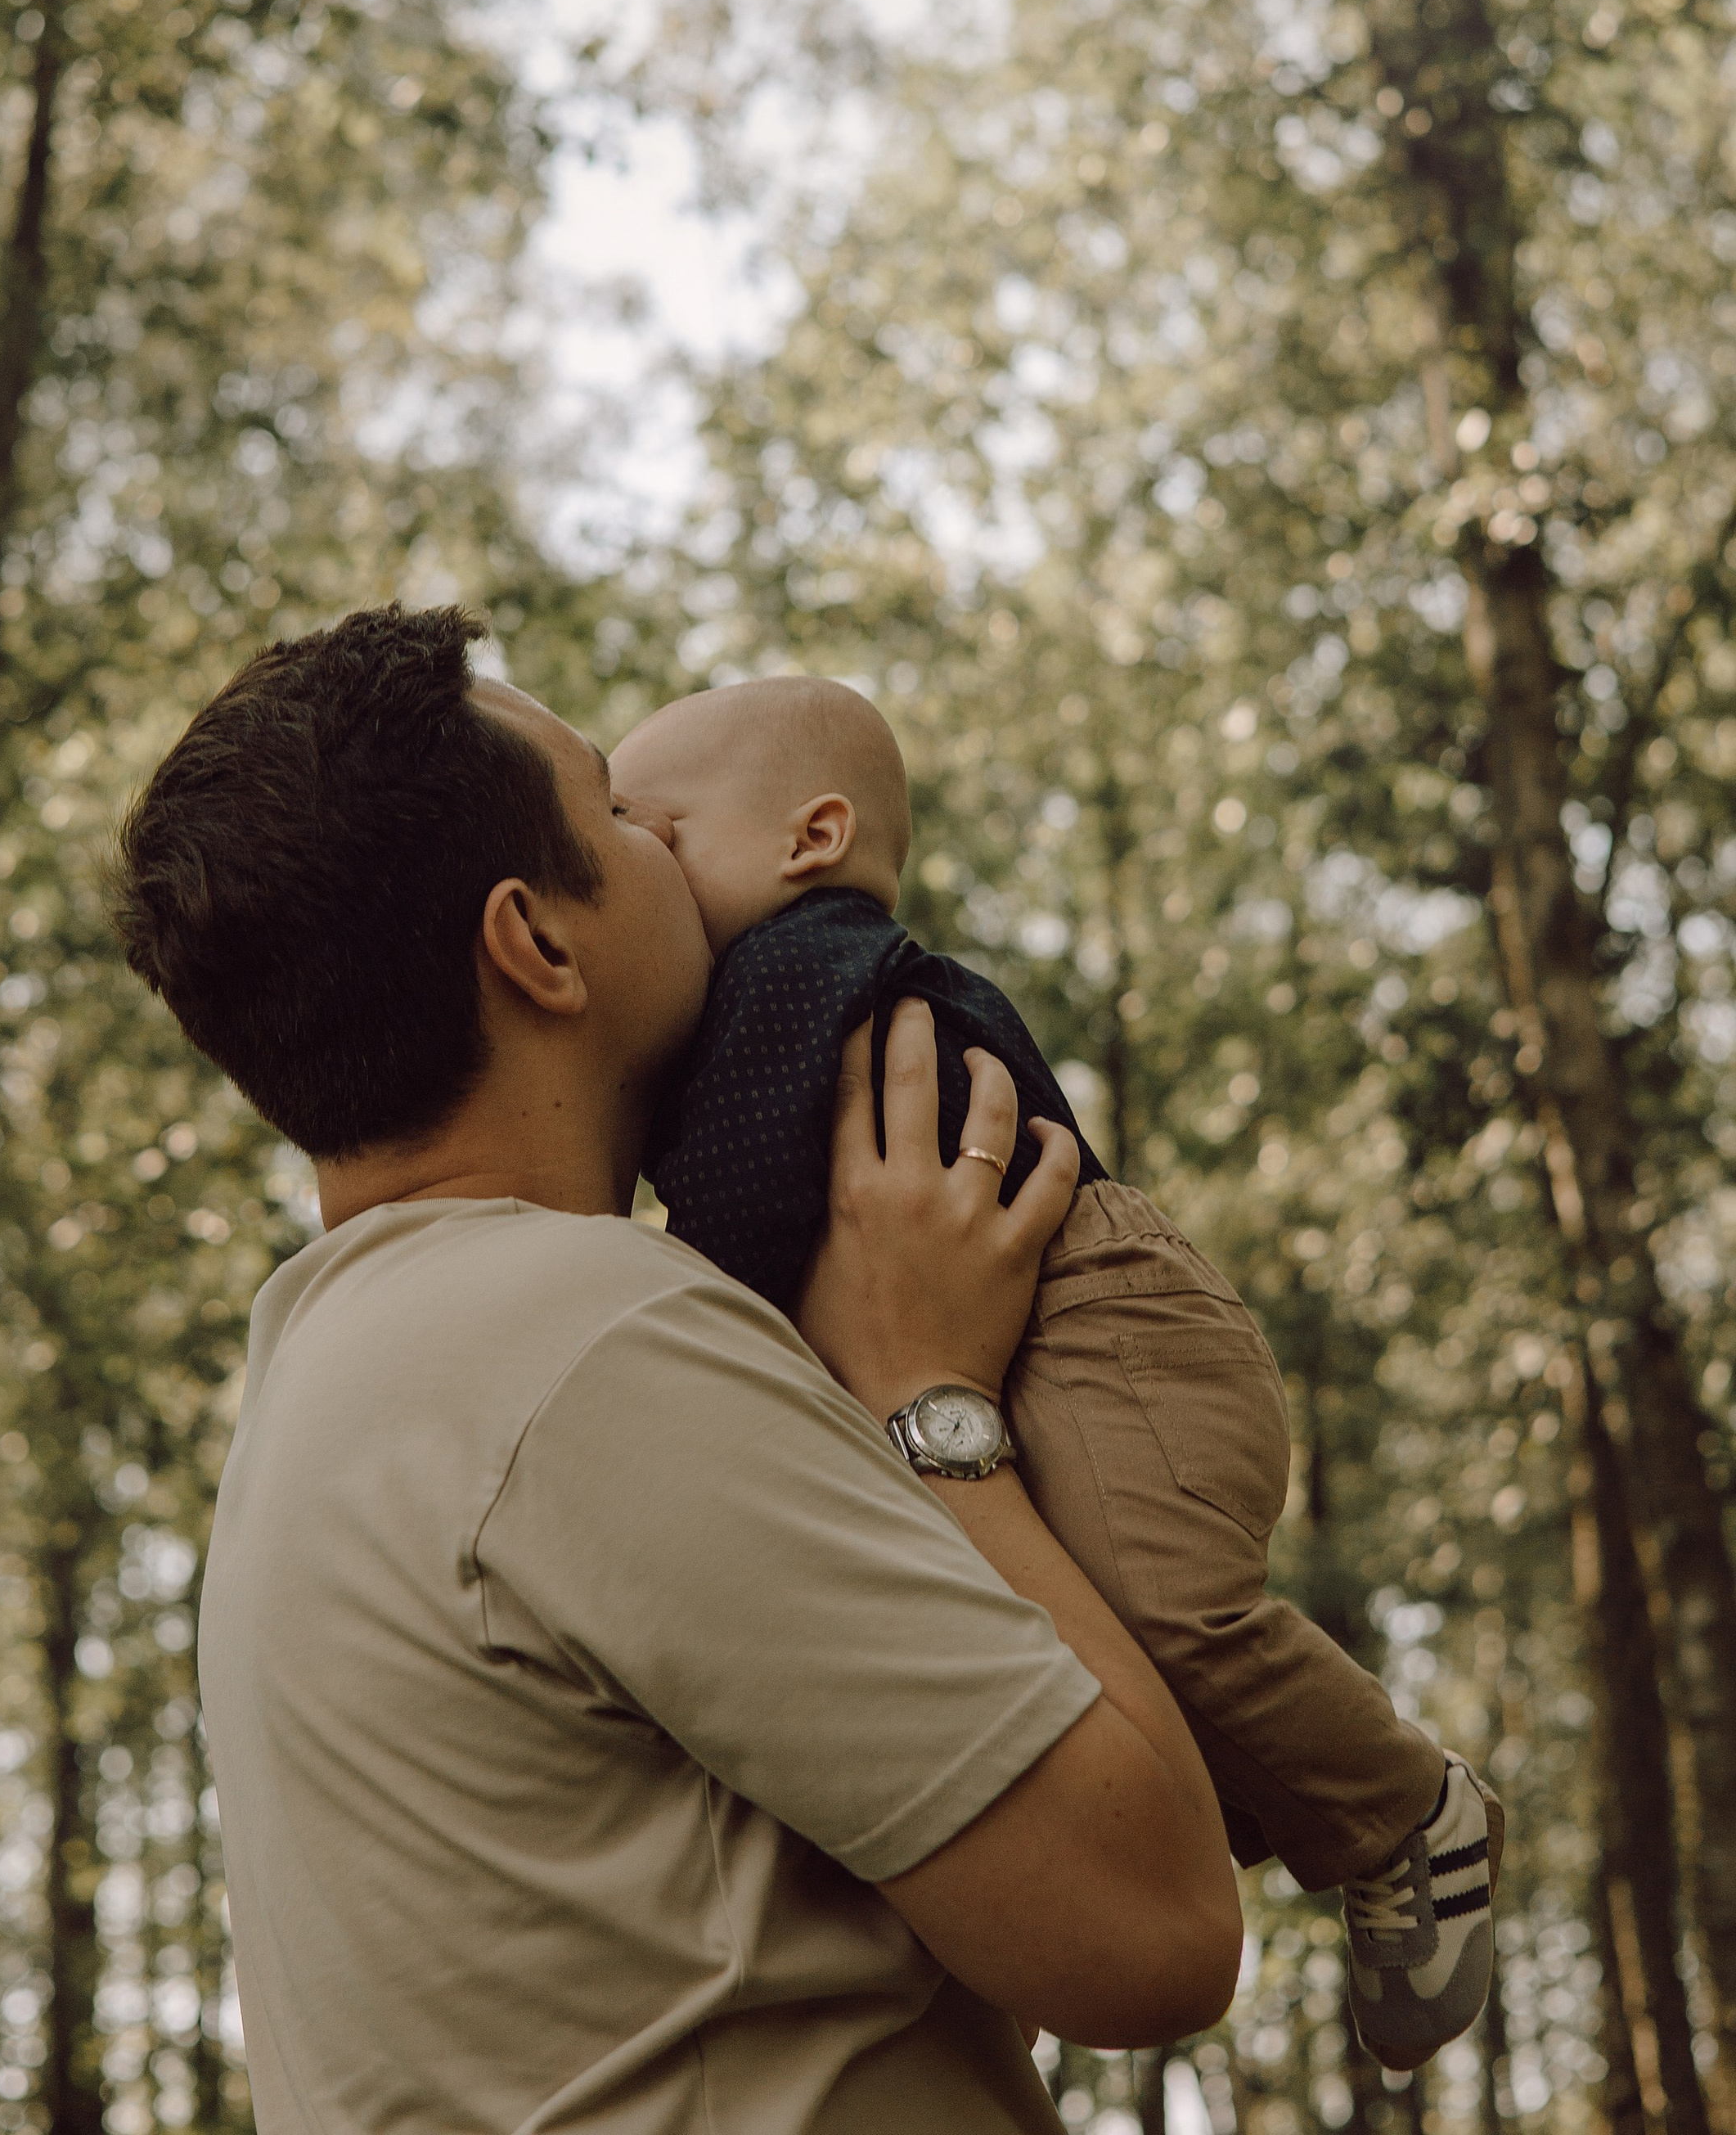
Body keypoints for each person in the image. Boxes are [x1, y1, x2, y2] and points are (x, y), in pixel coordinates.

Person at [109, 604, 1240, 2135]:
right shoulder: (589, 1337)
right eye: (620, 814)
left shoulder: (324, 1377)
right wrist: (933, 1404)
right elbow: (1151, 1936)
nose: (665, 842)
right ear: (538, 942)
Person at [610, 674, 1505, 2074]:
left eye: (655, 836)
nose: (635, 872)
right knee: (1078, 1645)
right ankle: (1263, 1793)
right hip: (1031, 1340)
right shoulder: (765, 996)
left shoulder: (799, 966)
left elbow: (740, 1200)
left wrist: (649, 1305)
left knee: (1168, 1610)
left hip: (1103, 1316)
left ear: (811, 838)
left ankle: (1405, 1809)